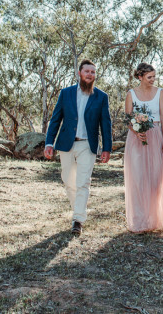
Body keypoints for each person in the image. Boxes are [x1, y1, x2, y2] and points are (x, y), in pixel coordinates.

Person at [44, 59, 112, 236]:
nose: (90, 74)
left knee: (83, 182)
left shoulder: (101, 97)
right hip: (67, 143)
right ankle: (78, 211)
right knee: (68, 181)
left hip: (87, 145)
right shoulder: (65, 93)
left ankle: (78, 220)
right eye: (87, 71)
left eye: (93, 72)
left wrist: (107, 148)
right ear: (80, 73)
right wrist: (49, 142)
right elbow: (56, 119)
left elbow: (106, 123)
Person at [123, 63, 163, 233]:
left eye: (154, 76)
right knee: (138, 178)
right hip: (137, 139)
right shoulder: (131, 94)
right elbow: (128, 118)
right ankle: (140, 220)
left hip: (156, 136)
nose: (153, 80)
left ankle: (156, 218)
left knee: (156, 179)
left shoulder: (160, 93)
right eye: (149, 77)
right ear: (140, 77)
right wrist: (136, 131)